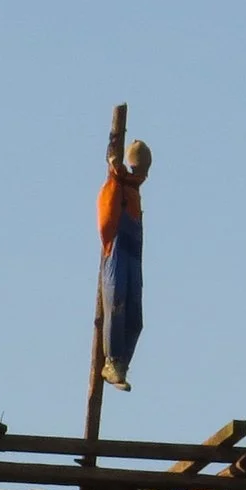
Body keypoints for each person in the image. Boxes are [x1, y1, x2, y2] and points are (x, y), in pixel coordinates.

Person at [97, 138, 151, 389]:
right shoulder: (116, 185)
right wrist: (114, 145)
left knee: (135, 317)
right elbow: (113, 164)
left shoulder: (134, 191)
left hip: (131, 254)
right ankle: (112, 361)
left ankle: (121, 365)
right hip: (117, 252)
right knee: (116, 301)